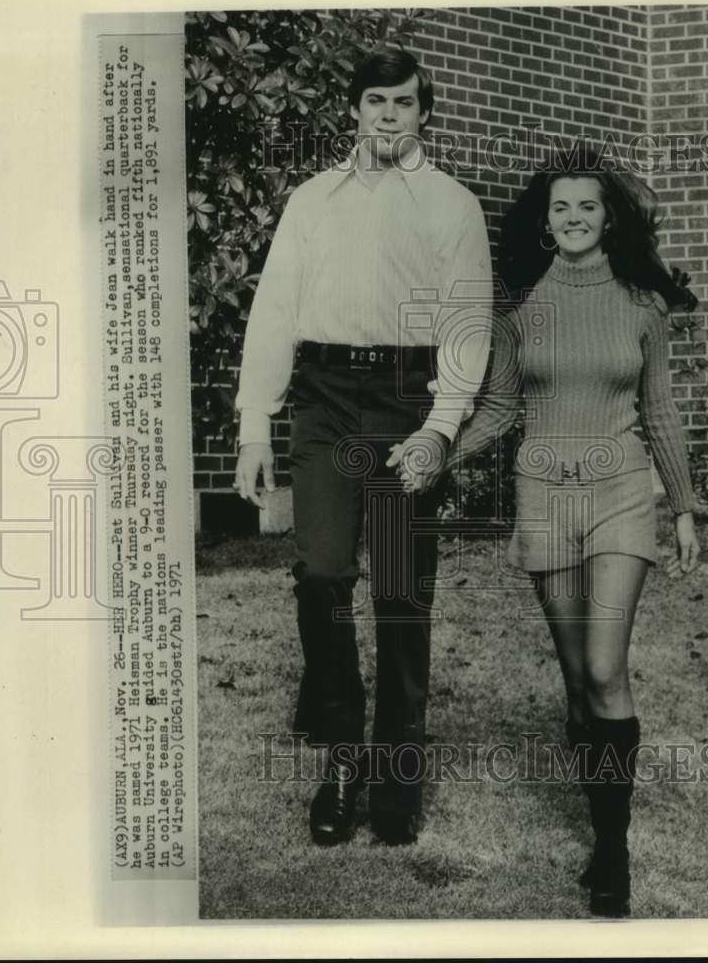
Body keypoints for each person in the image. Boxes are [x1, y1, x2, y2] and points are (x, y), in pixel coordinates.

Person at [392, 149, 700, 914]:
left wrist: (684, 507)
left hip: (620, 492)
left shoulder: (642, 306)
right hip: (545, 498)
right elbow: (497, 411)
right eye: (560, 207)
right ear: (544, 221)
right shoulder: (519, 311)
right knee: (576, 685)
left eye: (586, 206)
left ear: (608, 218)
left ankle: (612, 851)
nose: (572, 218)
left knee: (603, 667)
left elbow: (659, 409)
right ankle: (600, 816)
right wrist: (438, 452)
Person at [233, 47, 493, 846]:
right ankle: (343, 759)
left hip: (406, 400)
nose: (387, 114)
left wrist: (440, 427)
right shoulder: (312, 200)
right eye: (375, 100)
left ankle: (398, 775)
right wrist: (253, 424)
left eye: (403, 102)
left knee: (400, 592)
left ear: (424, 113)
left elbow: (466, 324)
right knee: (321, 574)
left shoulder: (450, 204)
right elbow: (275, 312)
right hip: (324, 401)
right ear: (354, 108)